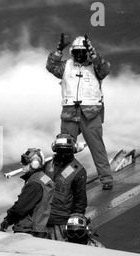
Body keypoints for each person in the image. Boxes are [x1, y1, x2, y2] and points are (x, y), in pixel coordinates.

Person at [46, 33, 114, 190]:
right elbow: (50, 66)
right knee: (63, 148)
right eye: (76, 52)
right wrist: (58, 50)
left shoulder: (96, 67)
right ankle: (62, 180)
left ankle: (106, 179)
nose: (79, 55)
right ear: (72, 53)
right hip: (69, 113)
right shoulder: (66, 66)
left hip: (91, 113)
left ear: (88, 52)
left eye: (82, 52)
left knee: (97, 147)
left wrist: (95, 55)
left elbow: (105, 68)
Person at [0, 148, 54, 238]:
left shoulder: (34, 184)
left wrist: (8, 220)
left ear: (35, 164)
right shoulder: (41, 178)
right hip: (38, 230)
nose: (21, 163)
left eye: (24, 161)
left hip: (29, 231)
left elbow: (20, 208)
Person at [45, 134, 87, 241]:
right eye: (60, 150)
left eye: (66, 151)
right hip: (42, 219)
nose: (63, 154)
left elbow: (80, 202)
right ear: (55, 149)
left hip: (61, 222)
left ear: (73, 150)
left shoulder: (78, 171)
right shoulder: (47, 165)